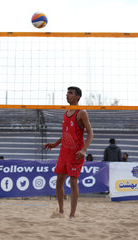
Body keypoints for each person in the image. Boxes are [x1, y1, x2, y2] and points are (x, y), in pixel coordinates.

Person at [44, 86, 93, 218]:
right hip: (64, 152)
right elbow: (66, 134)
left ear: (77, 97)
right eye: (67, 93)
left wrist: (84, 150)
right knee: (59, 181)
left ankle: (72, 214)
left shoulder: (82, 112)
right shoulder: (66, 111)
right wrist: (55, 144)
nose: (67, 95)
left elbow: (90, 133)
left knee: (73, 182)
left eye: (70, 93)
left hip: (76, 153)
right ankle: (61, 211)